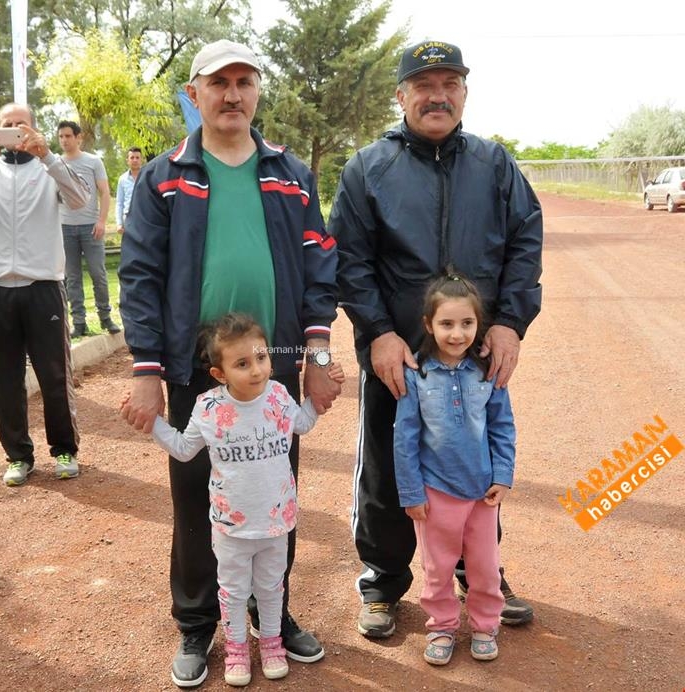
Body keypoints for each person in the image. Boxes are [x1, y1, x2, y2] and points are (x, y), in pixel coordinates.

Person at [118, 39, 340, 689]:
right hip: (195, 368)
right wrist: (146, 369)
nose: (233, 94)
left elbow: (320, 267)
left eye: (245, 81)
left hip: (274, 367)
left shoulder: (290, 175)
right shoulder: (165, 177)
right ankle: (196, 624)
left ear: (258, 91)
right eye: (219, 83)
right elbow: (140, 276)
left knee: (274, 494)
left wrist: (319, 356)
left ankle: (270, 615)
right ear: (195, 94)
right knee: (196, 498)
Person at [328, 39, 543, 638]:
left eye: (450, 84)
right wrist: (377, 333)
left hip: (473, 358)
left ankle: (481, 578)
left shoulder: (495, 164)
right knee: (388, 466)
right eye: (424, 85)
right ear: (401, 96)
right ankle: (383, 579)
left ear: (465, 94)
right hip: (399, 356)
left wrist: (508, 323)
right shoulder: (368, 168)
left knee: (474, 461)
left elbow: (526, 241)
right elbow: (350, 258)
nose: (437, 95)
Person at [151, 313, 345, 686]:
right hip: (231, 527)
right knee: (234, 590)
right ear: (219, 374)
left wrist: (322, 397)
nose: (256, 370)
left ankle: (271, 642)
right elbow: (182, 449)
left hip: (276, 522)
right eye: (242, 363)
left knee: (273, 588)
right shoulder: (209, 408)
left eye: (261, 358)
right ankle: (237, 648)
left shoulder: (277, 395)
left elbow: (301, 424)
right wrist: (152, 423)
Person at [0, 102, 88, 487]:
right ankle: (18, 456)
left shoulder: (49, 169)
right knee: (5, 378)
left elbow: (80, 200)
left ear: (34, 130)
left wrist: (49, 157)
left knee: (54, 375)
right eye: (6, 126)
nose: (13, 132)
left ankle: (64, 450)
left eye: (20, 125)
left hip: (42, 287)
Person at [394, 270, 515, 665]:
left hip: (482, 493)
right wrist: (412, 493)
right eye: (447, 323)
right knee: (437, 568)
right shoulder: (417, 375)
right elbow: (405, 438)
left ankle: (484, 625)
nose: (457, 333)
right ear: (429, 324)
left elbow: (502, 425)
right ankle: (443, 625)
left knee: (484, 567)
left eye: (467, 323)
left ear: (479, 325)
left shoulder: (487, 372)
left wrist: (502, 475)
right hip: (435, 493)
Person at [56, 120, 121, 338]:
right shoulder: (56, 163)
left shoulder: (93, 161)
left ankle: (105, 317)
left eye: (68, 136)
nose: (64, 140)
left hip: (90, 227)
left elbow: (104, 192)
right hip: (65, 227)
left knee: (98, 274)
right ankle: (79, 322)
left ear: (78, 137)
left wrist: (101, 221)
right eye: (61, 137)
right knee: (72, 277)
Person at [115, 147, 143, 234]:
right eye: (132, 157)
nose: (135, 160)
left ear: (141, 160)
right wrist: (119, 224)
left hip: (145, 219)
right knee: (130, 247)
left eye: (137, 157)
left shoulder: (148, 176)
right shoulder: (122, 179)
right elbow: (119, 203)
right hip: (128, 220)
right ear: (127, 160)